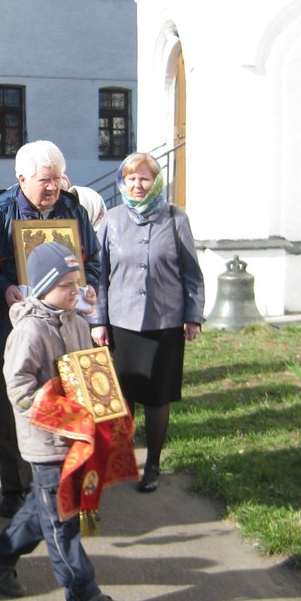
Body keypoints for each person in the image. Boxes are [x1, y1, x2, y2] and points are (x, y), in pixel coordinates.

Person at [0, 241, 129, 601]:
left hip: (77, 442)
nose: (75, 290)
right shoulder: (29, 331)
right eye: (67, 285)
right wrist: (61, 414)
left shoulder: (77, 323)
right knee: (62, 523)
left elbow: (90, 374)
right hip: (45, 444)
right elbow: (19, 389)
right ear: (45, 286)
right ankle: (83, 595)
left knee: (40, 512)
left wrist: (106, 407)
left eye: (76, 282)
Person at [0, 140, 99, 517]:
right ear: (21, 178)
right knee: (11, 412)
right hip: (9, 333)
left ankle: (56, 482)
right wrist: (3, 289)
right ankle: (15, 488)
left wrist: (89, 288)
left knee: (65, 403)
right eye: (44, 180)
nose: (53, 188)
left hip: (65, 331)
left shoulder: (73, 210)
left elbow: (93, 258)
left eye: (57, 179)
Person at [91, 152, 204, 492]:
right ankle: (120, 461)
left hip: (165, 323)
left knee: (157, 397)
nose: (138, 185)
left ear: (156, 182)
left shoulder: (175, 219)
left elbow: (191, 274)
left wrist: (193, 315)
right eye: (131, 179)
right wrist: (99, 320)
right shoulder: (111, 220)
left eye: (144, 179)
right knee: (122, 398)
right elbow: (99, 277)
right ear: (122, 183)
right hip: (122, 323)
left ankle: (152, 464)